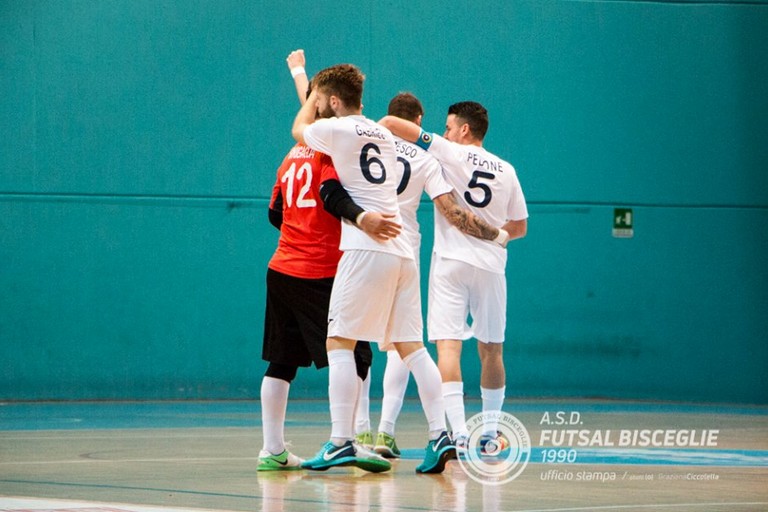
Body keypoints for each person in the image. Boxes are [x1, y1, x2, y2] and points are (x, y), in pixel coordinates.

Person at [291, 63, 456, 474]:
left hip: (366, 246)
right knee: (412, 348)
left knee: (339, 341)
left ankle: (341, 440)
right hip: (402, 250)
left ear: (332, 101)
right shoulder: (383, 132)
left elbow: (300, 129)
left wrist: (307, 91)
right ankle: (441, 435)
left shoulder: (338, 130)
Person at [257, 50, 400, 472]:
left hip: (282, 267)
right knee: (357, 354)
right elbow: (330, 195)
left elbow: (274, 213)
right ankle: (350, 439)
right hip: (321, 270)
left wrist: (300, 74)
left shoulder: (290, 156)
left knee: (282, 362)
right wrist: (359, 218)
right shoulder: (328, 153)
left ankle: (273, 449)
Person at [354, 93, 510, 459]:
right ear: (419, 119)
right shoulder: (428, 157)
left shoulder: (364, 144)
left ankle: (356, 434)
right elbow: (453, 211)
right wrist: (495, 235)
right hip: (405, 246)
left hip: (361, 242)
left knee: (349, 342)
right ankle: (413, 432)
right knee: (406, 342)